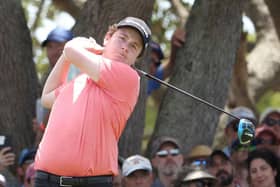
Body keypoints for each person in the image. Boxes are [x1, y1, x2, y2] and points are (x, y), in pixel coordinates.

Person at [34, 16, 151, 187]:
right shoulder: (79, 79)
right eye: (122, 38)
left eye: (133, 46)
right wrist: (66, 57)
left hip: (90, 183)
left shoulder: (129, 78)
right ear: (107, 38)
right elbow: (47, 97)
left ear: (135, 59)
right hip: (46, 180)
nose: (125, 47)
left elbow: (72, 49)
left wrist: (88, 47)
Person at [34, 27, 75, 147]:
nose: (53, 50)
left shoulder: (75, 71)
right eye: (50, 46)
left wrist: (42, 127)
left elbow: (59, 102)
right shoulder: (48, 74)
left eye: (58, 45)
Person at [147, 29, 185, 106]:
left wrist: (174, 48)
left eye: (157, 64)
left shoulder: (151, 81)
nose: (153, 66)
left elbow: (171, 66)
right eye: (150, 60)